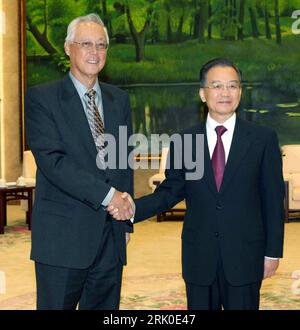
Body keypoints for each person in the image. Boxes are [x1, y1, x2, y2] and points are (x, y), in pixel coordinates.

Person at [109, 58, 285, 310]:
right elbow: (171, 191)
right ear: (203, 94)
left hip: (246, 256)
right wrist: (133, 208)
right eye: (216, 86)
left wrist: (272, 252)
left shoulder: (263, 139)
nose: (225, 92)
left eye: (232, 86)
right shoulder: (185, 140)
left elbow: (272, 199)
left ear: (240, 92)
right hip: (199, 257)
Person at [25, 13, 134, 310]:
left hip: (110, 240)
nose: (94, 52)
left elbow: (123, 162)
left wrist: (125, 222)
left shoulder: (119, 100)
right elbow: (54, 163)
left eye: (101, 45)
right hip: (63, 240)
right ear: (68, 48)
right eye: (86, 43)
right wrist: (110, 196)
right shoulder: (41, 99)